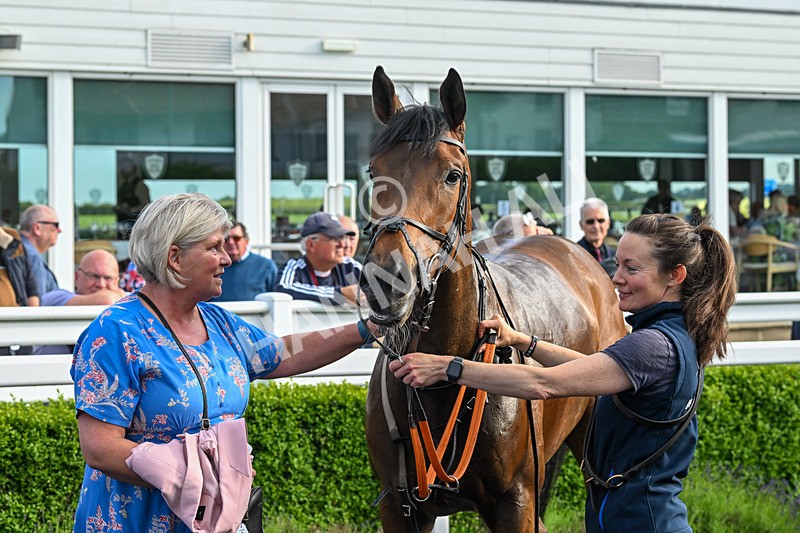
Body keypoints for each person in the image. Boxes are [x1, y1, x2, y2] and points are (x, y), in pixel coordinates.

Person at [391, 213, 736, 533]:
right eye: (617, 265)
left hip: (639, 520)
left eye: (632, 268)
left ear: (676, 275)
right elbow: (590, 368)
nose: (616, 278)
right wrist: (524, 341)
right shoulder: (669, 336)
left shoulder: (652, 346)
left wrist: (450, 368)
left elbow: (544, 384)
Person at [70, 193, 378, 532]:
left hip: (219, 517)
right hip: (137, 521)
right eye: (214, 247)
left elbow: (285, 353)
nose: (227, 258)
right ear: (175, 257)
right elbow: (100, 448)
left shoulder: (218, 321)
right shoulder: (116, 332)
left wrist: (366, 329)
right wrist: (190, 470)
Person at [34, 249, 126, 355]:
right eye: (93, 276)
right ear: (77, 277)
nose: (101, 284)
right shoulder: (56, 298)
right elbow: (107, 300)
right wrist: (119, 296)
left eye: (108, 278)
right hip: (50, 369)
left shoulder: (127, 299)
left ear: (117, 281)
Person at [273, 212, 362, 305]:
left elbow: (376, 289)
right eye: (334, 239)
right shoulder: (295, 267)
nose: (342, 245)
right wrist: (340, 294)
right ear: (311, 245)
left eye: (342, 238)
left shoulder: (350, 267)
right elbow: (283, 288)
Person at [213, 221, 278, 302]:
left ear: (246, 241)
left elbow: (276, 300)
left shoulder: (266, 266)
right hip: (217, 314)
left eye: (236, 238)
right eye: (227, 238)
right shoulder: (212, 266)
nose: (231, 242)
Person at [18, 204, 61, 295]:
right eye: (55, 225)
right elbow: (39, 304)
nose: (59, 230)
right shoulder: (31, 257)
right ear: (37, 228)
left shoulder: (15, 251)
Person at [576, 197, 616, 276]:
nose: (596, 226)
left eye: (601, 220)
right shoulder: (573, 256)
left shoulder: (616, 256)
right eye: (590, 222)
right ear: (581, 225)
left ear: (608, 223)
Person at [114, 155, 151, 239]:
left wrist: (130, 209)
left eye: (125, 167)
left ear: (132, 169)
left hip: (135, 227)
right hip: (122, 226)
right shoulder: (124, 185)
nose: (122, 170)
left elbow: (145, 206)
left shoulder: (140, 185)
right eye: (121, 167)